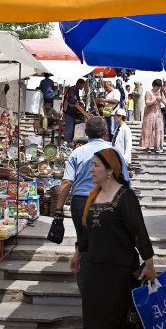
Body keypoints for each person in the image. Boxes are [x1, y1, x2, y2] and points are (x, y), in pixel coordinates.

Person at [70, 148, 156, 329]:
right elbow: (88, 230)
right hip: (94, 271)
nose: (91, 170)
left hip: (120, 273)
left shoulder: (125, 197)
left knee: (116, 324)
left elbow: (139, 231)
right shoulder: (93, 196)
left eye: (95, 165)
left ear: (110, 171)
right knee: (94, 322)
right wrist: (78, 252)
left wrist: (149, 262)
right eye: (91, 165)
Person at [55, 117, 127, 292]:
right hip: (108, 201)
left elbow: (66, 184)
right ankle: (105, 286)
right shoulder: (114, 152)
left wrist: (58, 210)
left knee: (83, 242)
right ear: (104, 132)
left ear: (86, 133)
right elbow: (124, 182)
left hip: (80, 203)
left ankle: (86, 287)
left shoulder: (77, 153)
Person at [140, 79, 166, 153]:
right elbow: (147, 103)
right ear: (154, 85)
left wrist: (162, 100)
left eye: (159, 86)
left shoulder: (160, 93)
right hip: (149, 114)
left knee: (157, 130)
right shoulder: (148, 92)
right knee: (148, 130)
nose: (158, 88)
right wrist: (155, 99)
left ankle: (156, 146)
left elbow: (165, 102)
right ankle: (147, 147)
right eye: (157, 86)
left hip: (158, 114)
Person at [63, 79, 85, 144]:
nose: (82, 87)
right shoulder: (72, 89)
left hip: (72, 113)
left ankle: (69, 143)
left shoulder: (76, 90)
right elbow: (71, 99)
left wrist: (80, 103)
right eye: (82, 85)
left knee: (71, 130)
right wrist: (77, 103)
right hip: (68, 112)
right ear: (79, 84)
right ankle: (67, 145)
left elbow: (77, 99)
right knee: (69, 130)